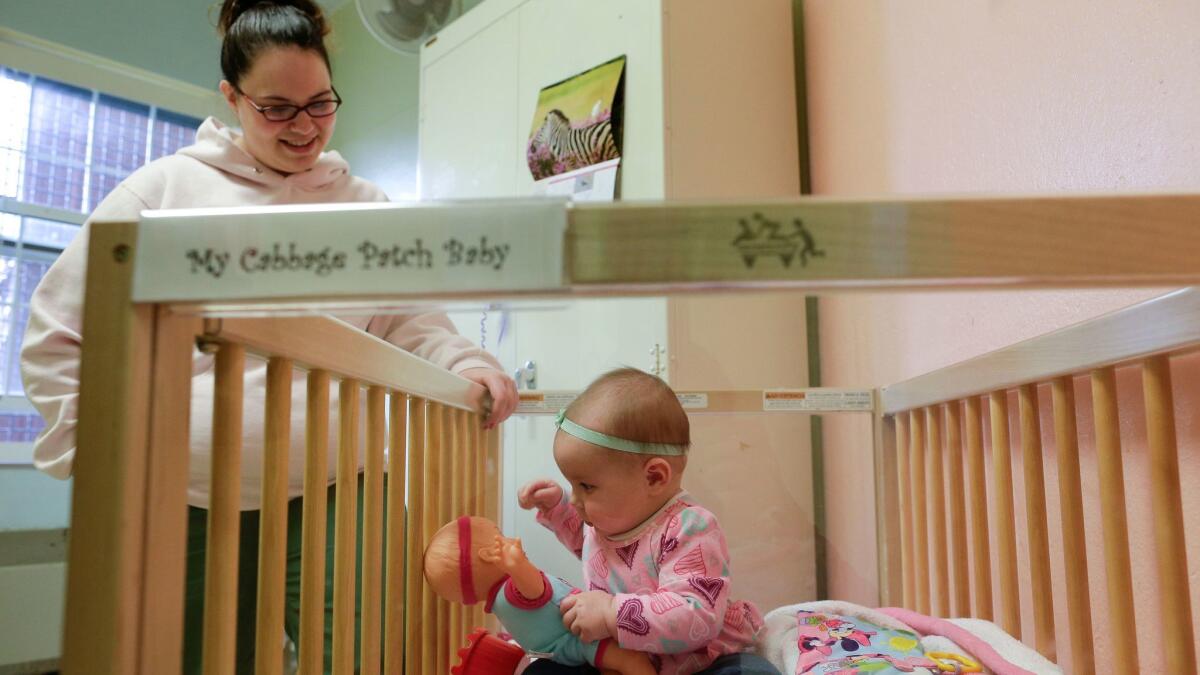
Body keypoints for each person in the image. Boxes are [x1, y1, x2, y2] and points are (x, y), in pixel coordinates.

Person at [18, 1, 517, 672]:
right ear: (231, 97)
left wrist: (467, 364)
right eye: (277, 108)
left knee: (370, 653)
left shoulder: (363, 207)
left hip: (339, 479)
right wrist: (98, 449)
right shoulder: (164, 190)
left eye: (321, 103)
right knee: (193, 655)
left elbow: (412, 318)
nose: (305, 126)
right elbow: (60, 330)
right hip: (182, 487)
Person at [517, 368, 779, 675]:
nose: (575, 499)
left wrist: (613, 613)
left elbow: (696, 613)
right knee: (542, 672)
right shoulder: (605, 523)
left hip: (698, 662)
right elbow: (591, 548)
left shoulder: (690, 527)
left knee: (752, 672)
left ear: (654, 477)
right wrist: (558, 509)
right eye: (572, 486)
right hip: (624, 661)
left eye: (586, 487)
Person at [423, 515, 655, 675]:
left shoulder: (499, 605)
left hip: (569, 649)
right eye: (500, 535)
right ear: (488, 555)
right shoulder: (512, 590)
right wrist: (518, 565)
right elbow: (537, 591)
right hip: (583, 638)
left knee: (612, 668)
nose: (510, 540)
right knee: (633, 660)